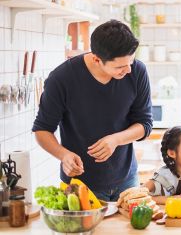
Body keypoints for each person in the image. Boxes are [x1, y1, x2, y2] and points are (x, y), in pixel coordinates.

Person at [32, 20, 152, 202]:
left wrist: (116, 139)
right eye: (120, 66)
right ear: (97, 59)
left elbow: (145, 124)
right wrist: (64, 155)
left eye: (131, 61)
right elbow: (42, 130)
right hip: (79, 185)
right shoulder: (61, 79)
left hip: (127, 180)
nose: (128, 70)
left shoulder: (137, 71)